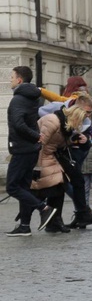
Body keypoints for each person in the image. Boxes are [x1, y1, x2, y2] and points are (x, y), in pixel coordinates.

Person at [5, 66, 57, 237]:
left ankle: (44, 208)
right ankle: (24, 225)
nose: (10, 80)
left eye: (12, 77)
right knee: (24, 187)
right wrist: (36, 137)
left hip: (22, 148)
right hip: (30, 149)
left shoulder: (18, 99)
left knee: (12, 187)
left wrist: (36, 136)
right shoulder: (32, 97)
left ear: (19, 79)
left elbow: (19, 124)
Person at [38, 93, 92, 228]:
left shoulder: (85, 120)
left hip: (65, 151)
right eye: (88, 112)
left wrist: (85, 140)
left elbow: (75, 137)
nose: (88, 116)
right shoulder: (56, 110)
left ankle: (74, 215)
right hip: (51, 153)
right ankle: (46, 218)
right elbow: (42, 127)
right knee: (58, 185)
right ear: (79, 106)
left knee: (71, 182)